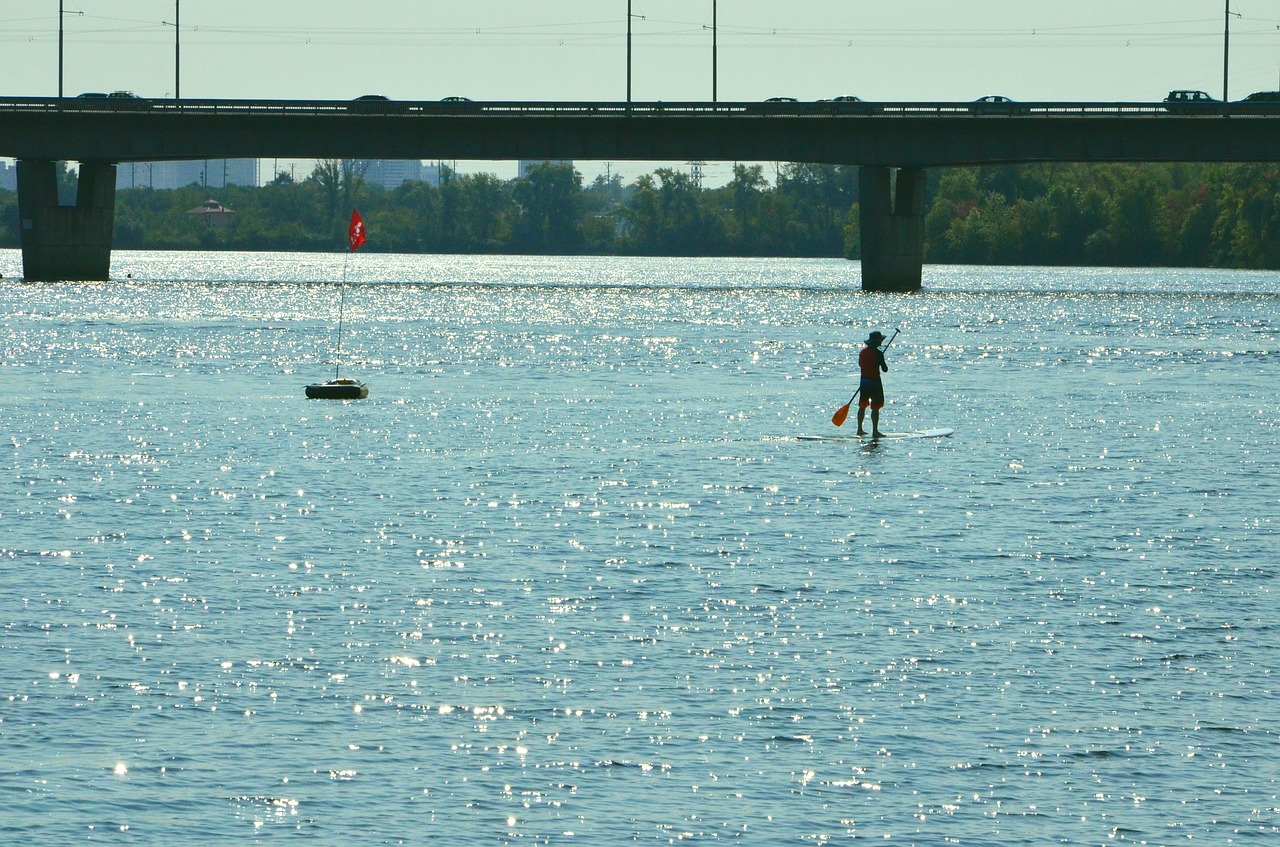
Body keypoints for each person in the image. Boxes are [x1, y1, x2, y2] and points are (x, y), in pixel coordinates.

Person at [857, 330, 889, 437]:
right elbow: (885, 369)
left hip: (864, 381)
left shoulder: (862, 352)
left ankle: (859, 429)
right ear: (877, 342)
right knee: (875, 407)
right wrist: (880, 359)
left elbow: (861, 365)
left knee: (862, 405)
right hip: (875, 382)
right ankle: (875, 431)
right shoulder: (878, 354)